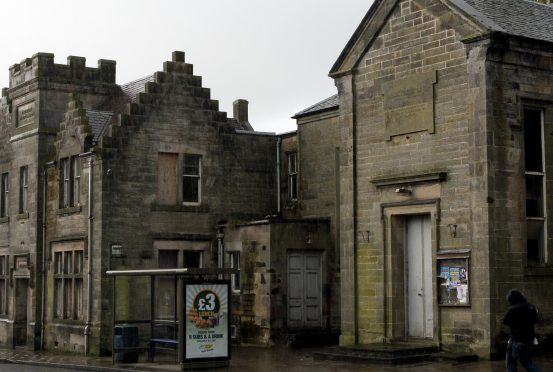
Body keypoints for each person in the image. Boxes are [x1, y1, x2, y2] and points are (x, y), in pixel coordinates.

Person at [503, 289, 541, 372]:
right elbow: (536, 320)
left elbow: (505, 321)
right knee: (527, 363)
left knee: (511, 362)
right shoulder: (531, 307)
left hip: (516, 339)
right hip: (529, 339)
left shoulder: (512, 309)